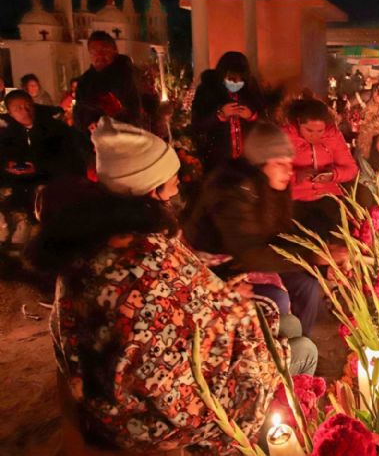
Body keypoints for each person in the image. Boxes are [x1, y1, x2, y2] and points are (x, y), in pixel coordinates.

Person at [27, 117, 315, 452]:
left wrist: (225, 301)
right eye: (172, 179)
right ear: (151, 189)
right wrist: (233, 312)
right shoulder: (143, 258)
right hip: (150, 417)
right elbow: (174, 371)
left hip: (126, 391)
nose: (180, 185)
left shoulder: (107, 241)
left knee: (285, 319)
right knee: (301, 349)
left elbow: (176, 315)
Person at [184, 122, 335, 335]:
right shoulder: (232, 189)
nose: (289, 170)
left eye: (289, 163)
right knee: (277, 298)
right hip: (219, 270)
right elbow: (249, 254)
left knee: (308, 285)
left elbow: (280, 234)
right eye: (279, 163)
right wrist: (311, 256)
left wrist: (320, 263)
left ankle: (299, 351)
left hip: (247, 262)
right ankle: (272, 356)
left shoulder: (270, 188)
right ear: (260, 163)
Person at [0, 90, 84, 248]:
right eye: (18, 108)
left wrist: (38, 167)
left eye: (28, 106)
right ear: (10, 113)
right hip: (19, 181)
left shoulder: (56, 129)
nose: (25, 111)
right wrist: (7, 165)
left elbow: (71, 160)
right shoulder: (7, 133)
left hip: (49, 177)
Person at [283, 97, 358, 239]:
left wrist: (333, 175)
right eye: (309, 130)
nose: (314, 136)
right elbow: (270, 173)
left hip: (328, 196)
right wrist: (295, 176)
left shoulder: (333, 136)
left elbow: (351, 169)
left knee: (339, 235)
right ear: (299, 122)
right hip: (296, 199)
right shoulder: (285, 136)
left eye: (320, 131)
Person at [191, 51, 264, 172]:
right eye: (232, 79)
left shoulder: (250, 91)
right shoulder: (207, 91)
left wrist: (251, 116)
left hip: (248, 162)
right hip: (218, 163)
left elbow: (265, 120)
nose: (236, 83)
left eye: (241, 80)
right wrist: (219, 115)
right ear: (222, 75)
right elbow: (197, 124)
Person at [74, 31, 146, 133]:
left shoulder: (128, 75)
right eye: (94, 51)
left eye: (104, 50)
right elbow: (79, 114)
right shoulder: (84, 82)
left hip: (126, 137)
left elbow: (135, 112)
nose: (99, 55)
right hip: (93, 141)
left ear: (115, 51)